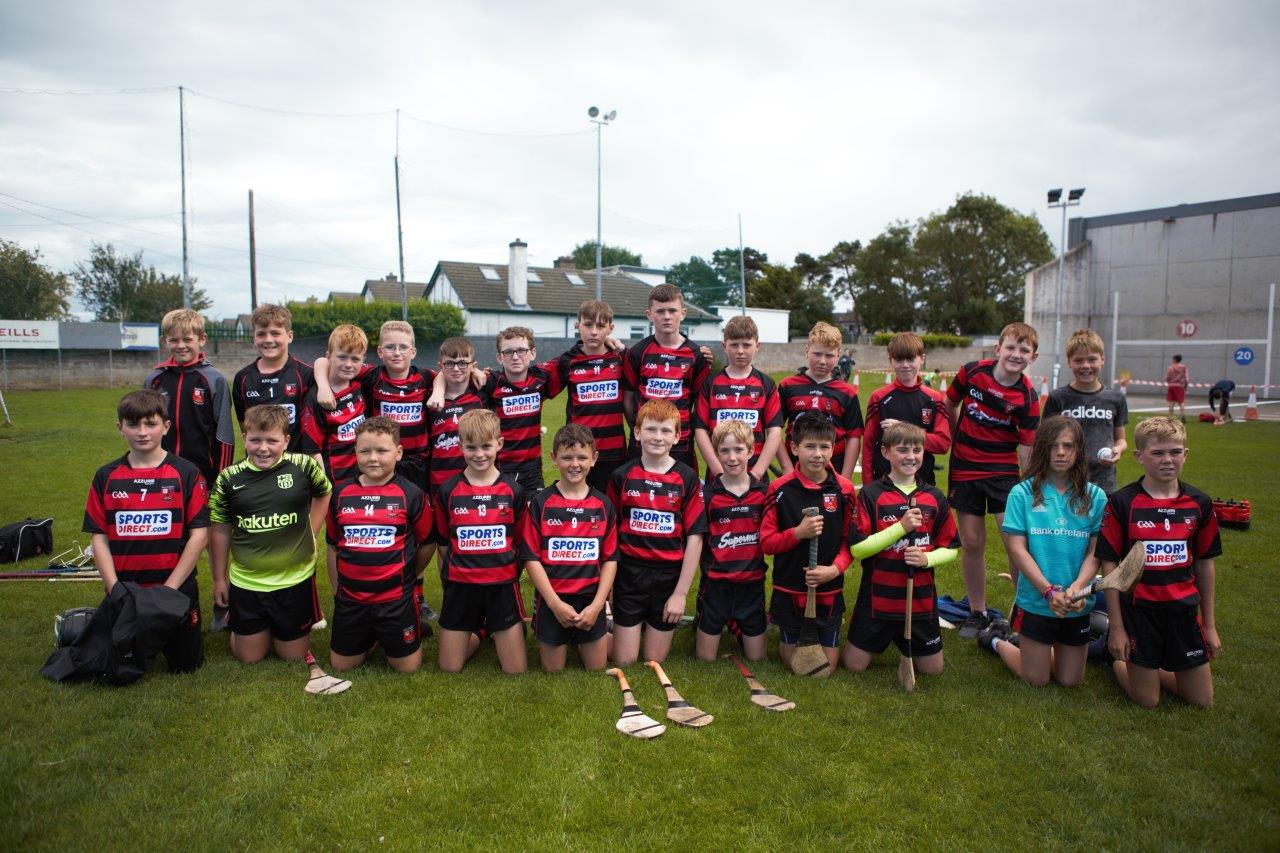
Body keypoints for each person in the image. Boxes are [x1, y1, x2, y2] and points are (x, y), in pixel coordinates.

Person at [1095, 417, 1221, 708]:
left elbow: (1204, 564)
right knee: (1148, 701)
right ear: (1139, 456)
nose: (1168, 460)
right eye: (1158, 453)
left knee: (1201, 702)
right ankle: (1116, 661)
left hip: (1183, 612)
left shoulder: (1198, 503)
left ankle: (1154, 666)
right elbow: (1110, 567)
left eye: (1175, 452)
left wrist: (1210, 626)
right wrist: (1117, 627)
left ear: (1185, 454)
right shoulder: (1122, 502)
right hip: (1140, 613)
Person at [82, 389, 210, 673]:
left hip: (175, 588)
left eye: (150, 424)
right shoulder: (106, 476)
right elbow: (99, 536)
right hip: (128, 589)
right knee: (120, 661)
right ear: (120, 428)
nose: (142, 432)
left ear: (166, 426)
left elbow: (200, 534)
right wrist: (114, 586)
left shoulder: (187, 473)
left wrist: (170, 589)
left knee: (186, 666)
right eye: (132, 424)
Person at [978, 416, 1106, 687]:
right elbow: (1017, 549)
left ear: (1079, 450)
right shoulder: (1021, 492)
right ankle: (997, 640)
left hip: (1076, 602)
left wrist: (1077, 589)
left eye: (1068, 446)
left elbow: (1095, 552)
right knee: (1036, 678)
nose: (1060, 452)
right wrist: (1048, 591)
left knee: (1069, 681)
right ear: (1042, 450)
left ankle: (1032, 645)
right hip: (1037, 600)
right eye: (1052, 446)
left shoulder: (1095, 496)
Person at [208, 405, 332, 663]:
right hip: (247, 582)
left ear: (286, 440)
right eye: (255, 440)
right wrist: (219, 579)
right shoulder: (228, 479)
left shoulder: (303, 466)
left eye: (272, 441)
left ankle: (276, 629)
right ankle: (243, 629)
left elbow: (324, 492)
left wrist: (312, 530)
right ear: (245, 438)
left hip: (294, 580)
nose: (263, 448)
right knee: (249, 658)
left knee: (293, 657)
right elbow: (219, 529)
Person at [945, 322, 1041, 638]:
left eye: (1023, 350)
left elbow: (1027, 448)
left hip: (1003, 474)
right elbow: (950, 402)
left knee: (1014, 544)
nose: (1016, 354)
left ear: (1033, 356)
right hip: (965, 470)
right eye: (1011, 347)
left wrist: (1030, 486)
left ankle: (1021, 614)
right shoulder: (971, 372)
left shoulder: (1028, 396)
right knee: (972, 543)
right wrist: (956, 435)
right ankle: (977, 612)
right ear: (998, 349)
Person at [842, 423, 959, 676]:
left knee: (933, 670)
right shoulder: (871, 495)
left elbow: (951, 548)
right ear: (886, 452)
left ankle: (908, 641)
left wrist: (926, 559)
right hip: (877, 599)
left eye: (917, 450)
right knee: (853, 666)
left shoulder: (934, 497)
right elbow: (858, 549)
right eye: (903, 450)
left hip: (920, 601)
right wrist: (900, 528)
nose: (911, 456)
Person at [325, 417, 434, 673]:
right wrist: (337, 592)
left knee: (407, 668)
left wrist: (410, 574)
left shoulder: (412, 494)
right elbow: (333, 546)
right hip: (352, 600)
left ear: (398, 453)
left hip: (394, 600)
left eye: (382, 450)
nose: (373, 458)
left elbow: (427, 543)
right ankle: (371, 635)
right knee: (341, 666)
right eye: (365, 451)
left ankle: (405, 626)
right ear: (355, 452)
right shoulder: (340, 494)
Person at [761, 414, 862, 676]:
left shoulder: (845, 490)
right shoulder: (779, 489)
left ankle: (825, 628)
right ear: (794, 448)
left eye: (824, 447)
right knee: (793, 664)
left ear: (833, 448)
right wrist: (797, 533)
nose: (817, 454)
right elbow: (766, 543)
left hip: (828, 588)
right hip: (790, 588)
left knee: (824, 669)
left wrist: (835, 570)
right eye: (809, 446)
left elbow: (849, 543)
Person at [607, 399, 706, 666]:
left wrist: (680, 594)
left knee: (653, 660)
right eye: (651, 430)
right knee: (624, 660)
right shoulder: (622, 476)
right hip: (629, 574)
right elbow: (611, 534)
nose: (657, 437)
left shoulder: (687, 478)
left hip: (668, 577)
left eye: (665, 431)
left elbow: (695, 537)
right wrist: (610, 589)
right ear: (637, 433)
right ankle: (603, 631)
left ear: (677, 436)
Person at [432, 409, 528, 675]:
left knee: (516, 670)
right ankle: (480, 630)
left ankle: (497, 627)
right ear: (460, 446)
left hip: (501, 587)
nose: (479, 454)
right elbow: (443, 542)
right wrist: (451, 579)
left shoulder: (513, 491)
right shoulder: (448, 491)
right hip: (461, 587)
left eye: (486, 446)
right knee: (450, 668)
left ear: (499, 443)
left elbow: (519, 545)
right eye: (471, 447)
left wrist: (508, 575)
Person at [520, 424, 618, 672]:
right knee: (553, 669)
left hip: (589, 599)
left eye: (582, 457)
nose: (575, 464)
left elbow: (610, 560)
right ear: (554, 459)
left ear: (594, 459)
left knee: (596, 667)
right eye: (567, 457)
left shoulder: (603, 504)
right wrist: (554, 604)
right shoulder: (541, 503)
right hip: (553, 599)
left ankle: (602, 629)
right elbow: (531, 559)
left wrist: (597, 606)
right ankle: (563, 632)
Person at [312, 320, 435, 489]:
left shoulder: (425, 377)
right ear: (380, 352)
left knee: (415, 506)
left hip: (417, 461)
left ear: (413, 352)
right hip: (382, 459)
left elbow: (449, 374)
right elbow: (323, 361)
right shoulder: (372, 375)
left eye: (403, 347)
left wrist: (473, 372)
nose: (397, 353)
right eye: (390, 347)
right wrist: (324, 387)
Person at [695, 420, 770, 661]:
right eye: (724, 451)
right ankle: (710, 617)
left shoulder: (764, 494)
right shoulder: (707, 497)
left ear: (751, 451)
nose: (732, 457)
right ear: (716, 453)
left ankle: (739, 624)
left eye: (739, 450)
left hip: (752, 586)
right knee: (705, 660)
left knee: (758, 659)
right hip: (716, 586)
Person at [622, 283, 712, 471]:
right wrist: (642, 426)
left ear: (683, 313)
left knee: (682, 493)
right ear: (649, 315)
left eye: (672, 310)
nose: (667, 317)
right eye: (660, 311)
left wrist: (684, 428)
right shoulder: (637, 353)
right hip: (643, 442)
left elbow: (699, 403)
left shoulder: (697, 355)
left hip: (680, 442)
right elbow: (628, 398)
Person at [144, 308, 234, 488]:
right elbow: (144, 425)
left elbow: (224, 434)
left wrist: (221, 479)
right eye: (174, 340)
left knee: (199, 517)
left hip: (202, 473)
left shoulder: (214, 380)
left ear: (202, 339)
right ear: (164, 341)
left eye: (187, 339)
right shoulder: (154, 379)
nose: (180, 345)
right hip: (160, 470)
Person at [547, 300, 628, 495]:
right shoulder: (567, 361)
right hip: (578, 452)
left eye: (600, 326)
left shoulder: (621, 358)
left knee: (610, 509)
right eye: (588, 325)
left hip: (613, 452)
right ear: (578, 326)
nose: (594, 331)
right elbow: (534, 385)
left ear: (610, 328)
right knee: (578, 504)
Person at [694, 315, 784, 482]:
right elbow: (700, 430)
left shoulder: (766, 384)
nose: (740, 351)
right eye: (734, 345)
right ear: (724, 346)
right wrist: (718, 471)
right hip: (718, 476)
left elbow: (774, 432)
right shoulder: (710, 384)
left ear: (757, 346)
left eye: (747, 345)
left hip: (755, 476)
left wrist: (757, 473)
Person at [478, 326, 562, 495]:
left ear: (533, 353)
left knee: (533, 517)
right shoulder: (491, 382)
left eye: (521, 351)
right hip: (500, 468)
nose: (515, 357)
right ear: (499, 357)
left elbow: (576, 356)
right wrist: (474, 371)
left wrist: (607, 342)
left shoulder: (541, 378)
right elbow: (453, 373)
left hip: (532, 470)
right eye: (508, 352)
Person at [861, 331, 951, 486]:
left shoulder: (935, 399)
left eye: (910, 359)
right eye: (899, 359)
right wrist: (867, 487)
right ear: (891, 360)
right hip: (884, 484)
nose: (905, 365)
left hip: (923, 483)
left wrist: (902, 428)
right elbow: (868, 445)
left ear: (922, 358)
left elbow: (943, 444)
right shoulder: (879, 398)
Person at [1044, 329, 1128, 494]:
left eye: (1092, 359)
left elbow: (1121, 440)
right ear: (1069, 362)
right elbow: (1045, 440)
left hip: (1104, 482)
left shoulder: (1115, 398)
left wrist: (1118, 450)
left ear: (1102, 359)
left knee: (1101, 520)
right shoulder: (1058, 398)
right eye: (1078, 360)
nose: (1085, 366)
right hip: (1065, 480)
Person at [777, 321, 863, 482]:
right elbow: (774, 430)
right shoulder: (787, 386)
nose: (823, 361)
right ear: (806, 351)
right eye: (817, 354)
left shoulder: (847, 392)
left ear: (838, 355)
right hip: (794, 470)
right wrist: (786, 466)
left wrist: (845, 477)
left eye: (829, 355)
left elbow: (853, 437)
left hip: (833, 471)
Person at [231, 304, 313, 453]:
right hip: (260, 463)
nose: (268, 340)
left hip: (296, 463)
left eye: (275, 333)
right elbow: (244, 426)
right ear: (254, 337)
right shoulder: (242, 379)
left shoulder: (306, 374)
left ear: (289, 336)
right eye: (261, 334)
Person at [299, 324, 370, 487]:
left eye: (355, 359)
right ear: (329, 356)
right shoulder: (315, 398)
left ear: (363, 360)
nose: (348, 364)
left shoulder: (362, 384)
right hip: (334, 483)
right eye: (342, 357)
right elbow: (312, 451)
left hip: (363, 481)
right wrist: (324, 488)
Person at [426, 337, 489, 495]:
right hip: (439, 483)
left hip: (475, 482)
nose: (456, 369)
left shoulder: (482, 395)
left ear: (473, 366)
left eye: (462, 363)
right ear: (441, 366)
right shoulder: (429, 400)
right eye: (449, 363)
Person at [1165, 354, 1189, 421]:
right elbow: (1187, 379)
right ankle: (1183, 417)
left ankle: (1170, 417)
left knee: (1171, 402)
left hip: (1171, 386)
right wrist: (1185, 386)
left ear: (1175, 359)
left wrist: (1169, 381)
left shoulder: (1170, 368)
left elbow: (1167, 378)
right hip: (1179, 386)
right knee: (1181, 402)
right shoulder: (1184, 367)